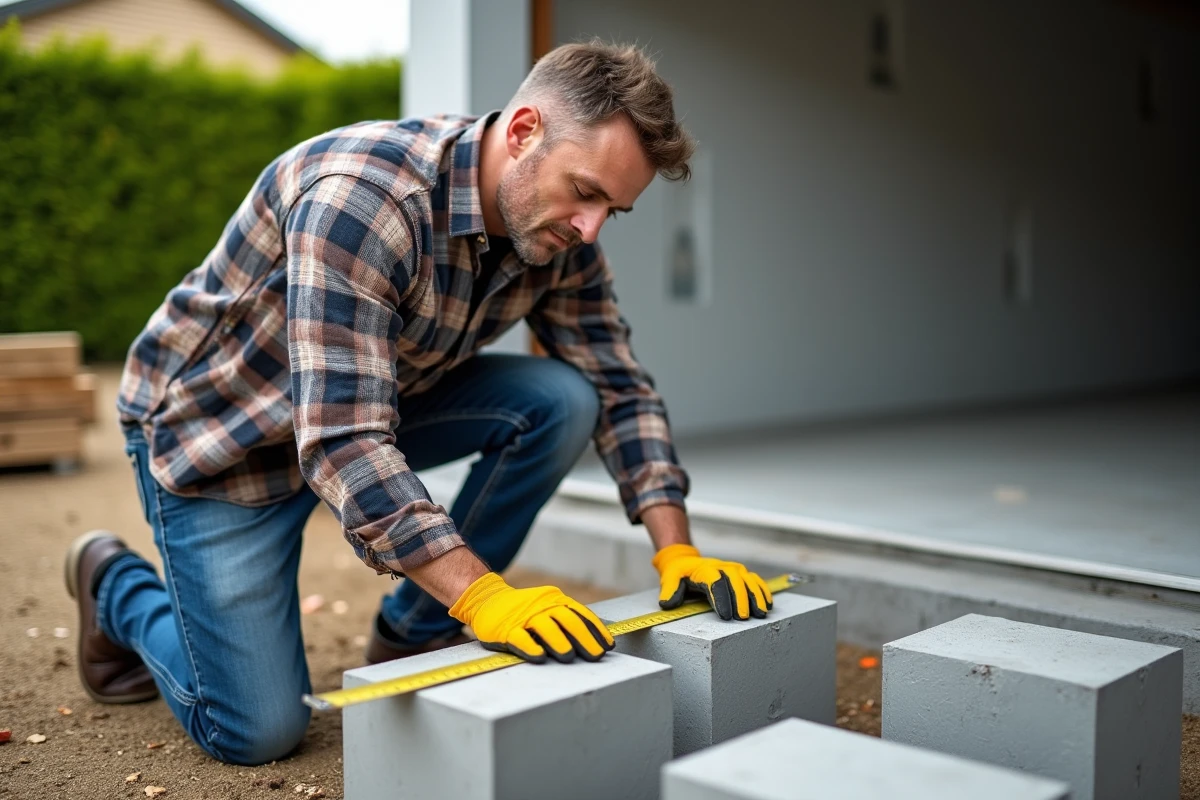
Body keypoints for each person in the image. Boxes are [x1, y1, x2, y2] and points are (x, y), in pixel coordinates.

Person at [64, 40, 774, 766]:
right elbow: (343, 440)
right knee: (255, 732)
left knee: (564, 398)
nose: (590, 229)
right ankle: (117, 586)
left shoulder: (559, 236)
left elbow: (619, 385)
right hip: (222, 439)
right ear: (525, 130)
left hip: (370, 405)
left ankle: (414, 626)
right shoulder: (364, 200)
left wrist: (675, 546)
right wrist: (483, 597)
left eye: (612, 212)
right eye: (586, 192)